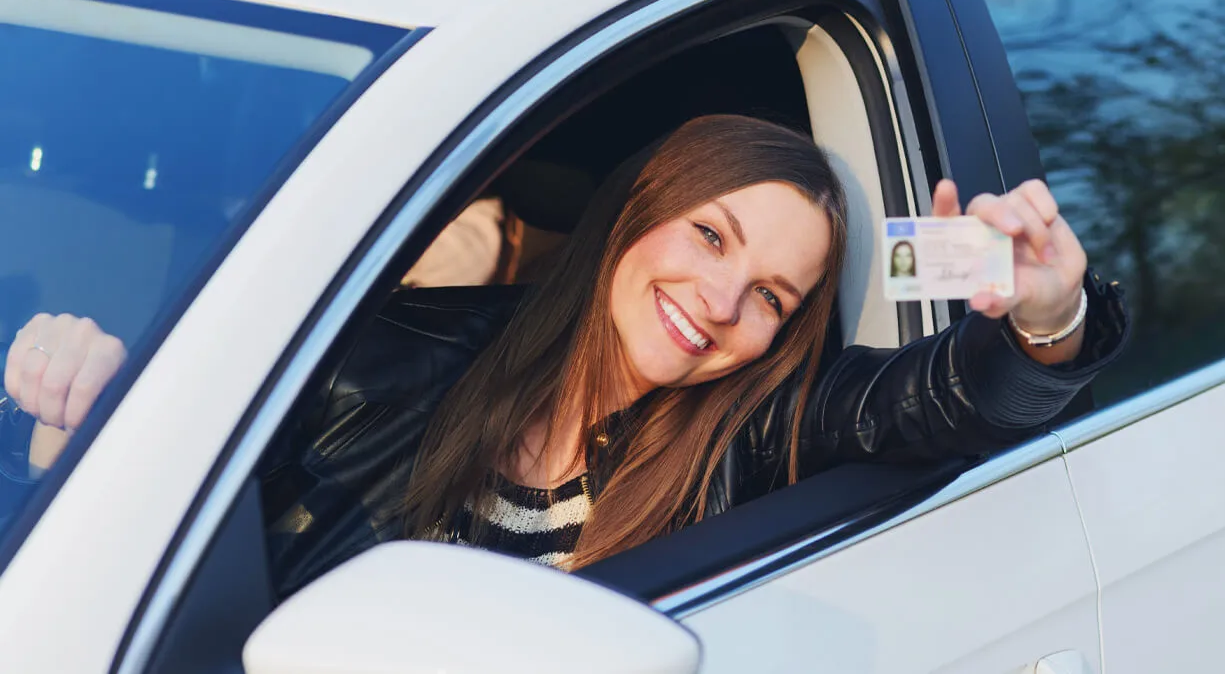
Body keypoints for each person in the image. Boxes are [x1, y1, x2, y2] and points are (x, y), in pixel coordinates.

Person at [2, 115, 1129, 599]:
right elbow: (185, 549)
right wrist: (80, 420)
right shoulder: (380, 359)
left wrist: (1046, 313)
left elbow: (942, 404)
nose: (719, 300)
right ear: (637, 212)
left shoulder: (754, 437)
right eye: (708, 235)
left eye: (771, 297)